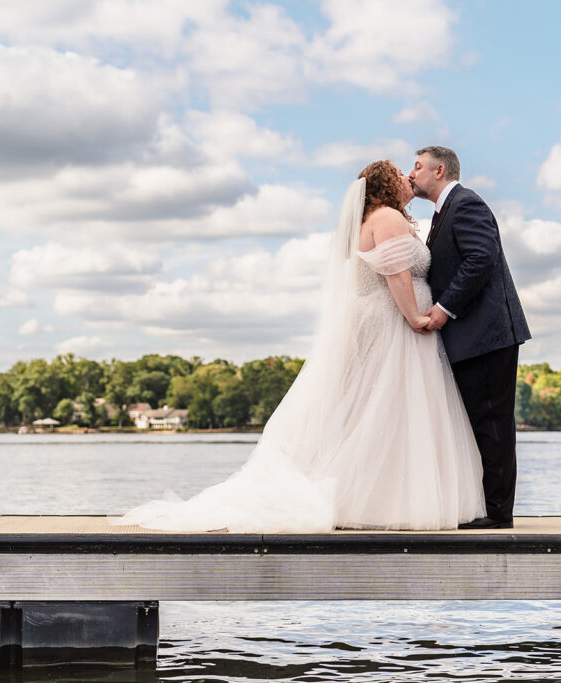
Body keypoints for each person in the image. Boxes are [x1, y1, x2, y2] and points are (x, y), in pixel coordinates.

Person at [115, 160, 485, 532]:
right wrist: (414, 317)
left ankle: (374, 498)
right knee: (389, 409)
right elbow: (396, 274)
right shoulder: (386, 217)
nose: (408, 177)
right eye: (401, 174)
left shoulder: (372, 220)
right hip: (394, 323)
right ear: (387, 184)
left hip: (383, 320)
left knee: (376, 411)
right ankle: (386, 501)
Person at [409, 146, 531, 530]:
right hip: (474, 337)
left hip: (487, 335)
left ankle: (498, 513)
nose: (411, 174)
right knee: (480, 424)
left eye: (417, 166)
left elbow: (481, 258)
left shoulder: (466, 204)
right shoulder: (444, 211)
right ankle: (486, 506)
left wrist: (444, 309)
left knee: (492, 425)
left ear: (439, 171)